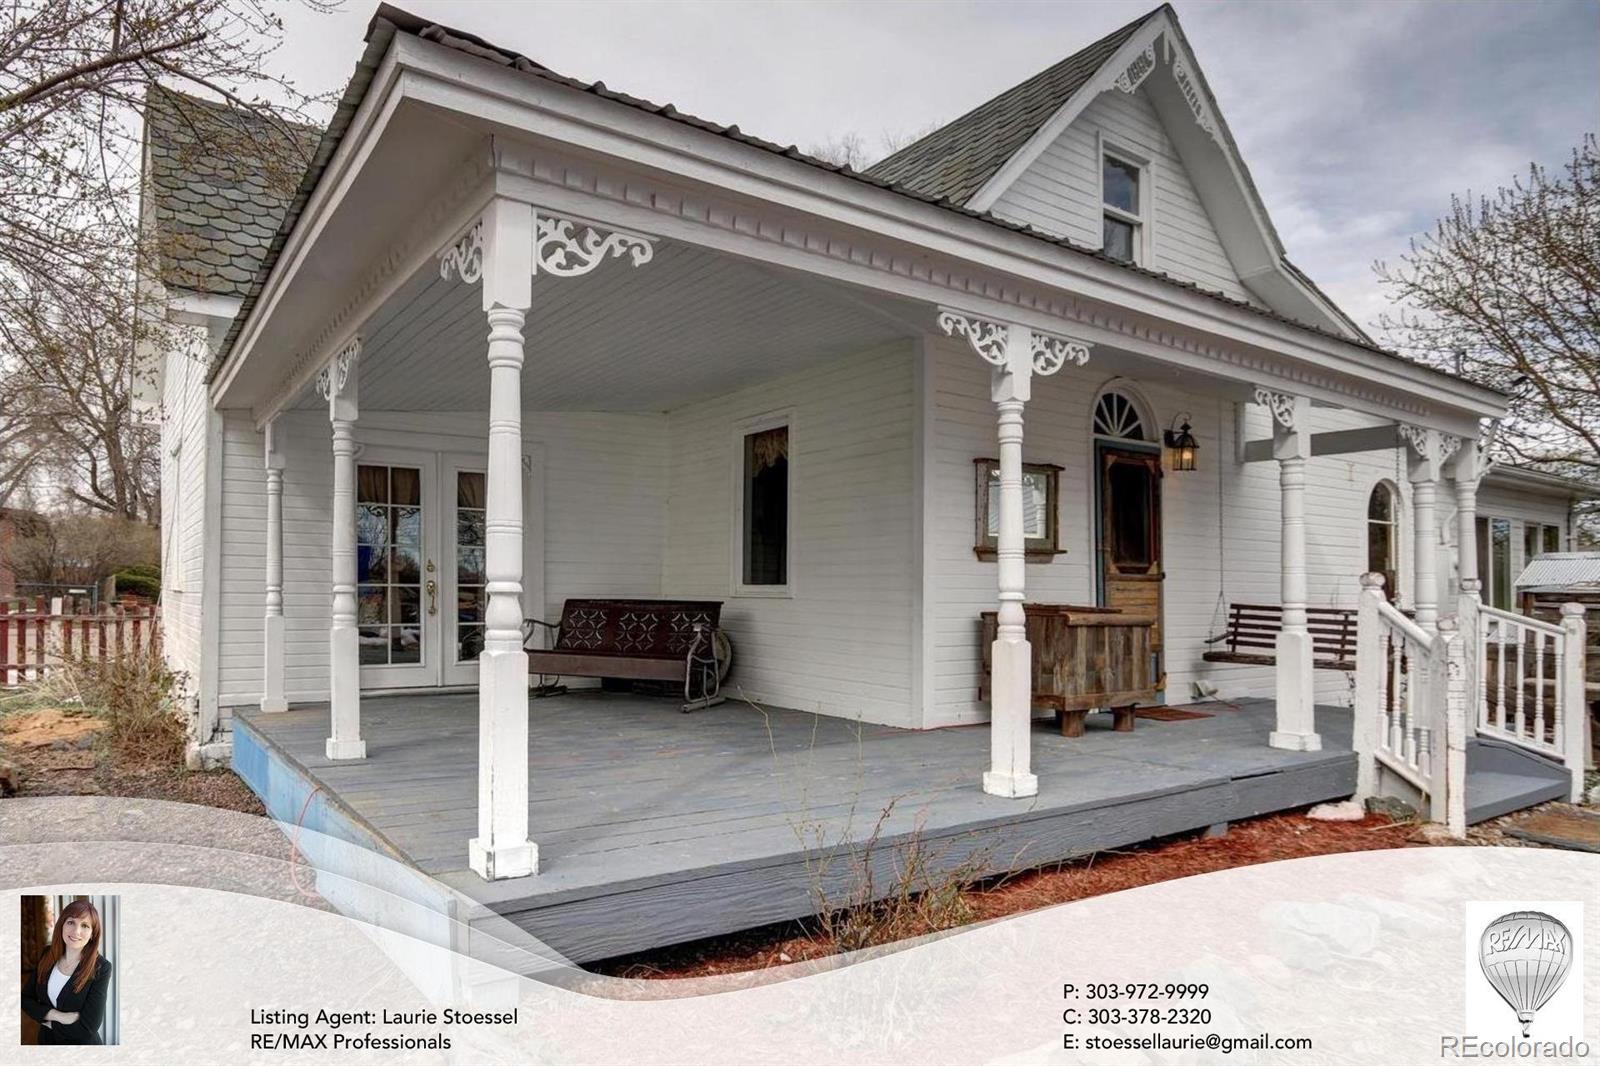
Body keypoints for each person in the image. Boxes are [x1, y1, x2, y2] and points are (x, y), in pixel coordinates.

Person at [20, 899, 112, 1045]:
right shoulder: (47, 954)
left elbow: (87, 1028)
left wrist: (48, 1022)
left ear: (93, 934)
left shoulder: (102, 968)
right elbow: (25, 999)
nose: (76, 931)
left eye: (85, 926)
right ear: (62, 925)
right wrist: (58, 1016)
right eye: (71, 922)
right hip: (46, 1043)